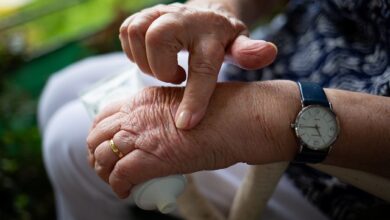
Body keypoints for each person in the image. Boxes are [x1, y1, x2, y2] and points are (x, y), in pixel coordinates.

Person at [39, 0, 390, 219]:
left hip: (337, 160)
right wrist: (217, 8)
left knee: (68, 142)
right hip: (266, 60)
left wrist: (271, 117)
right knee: (63, 89)